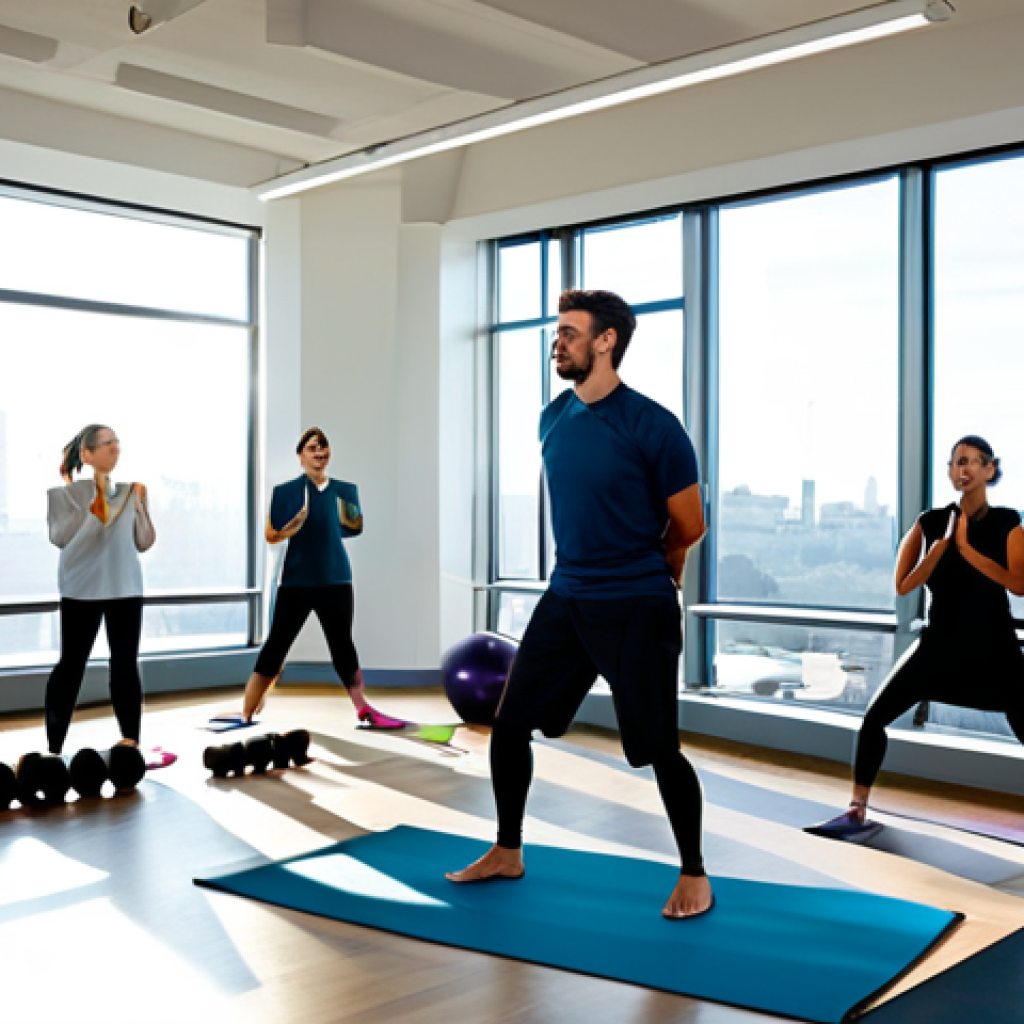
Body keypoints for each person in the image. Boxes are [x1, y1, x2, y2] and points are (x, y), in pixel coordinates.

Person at [446, 290, 712, 919]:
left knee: (658, 748)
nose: (556, 343)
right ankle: (507, 850)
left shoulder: (652, 424)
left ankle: (695, 874)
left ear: (606, 341)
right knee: (509, 726)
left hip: (635, 604)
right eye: (557, 334)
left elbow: (689, 524)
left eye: (569, 333)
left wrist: (661, 566)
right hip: (567, 594)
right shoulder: (554, 417)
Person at [807, 436, 1024, 841]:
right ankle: (856, 810)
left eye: (973, 462)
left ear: (990, 470)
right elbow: (904, 585)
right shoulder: (929, 522)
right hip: (938, 645)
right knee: (873, 719)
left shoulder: (1008, 521)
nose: (963, 470)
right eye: (956, 462)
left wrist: (966, 549)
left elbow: (1020, 584)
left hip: (995, 647)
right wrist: (940, 550)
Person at [240, 427, 402, 728]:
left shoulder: (345, 490)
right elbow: (272, 536)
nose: (319, 453)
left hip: (336, 578)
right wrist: (293, 526)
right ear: (300, 455)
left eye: (323, 447)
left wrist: (345, 513)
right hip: (296, 581)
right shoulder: (285, 492)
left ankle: (362, 707)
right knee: (277, 645)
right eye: (312, 448)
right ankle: (247, 711)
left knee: (342, 645)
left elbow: (353, 528)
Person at [46, 424, 155, 754]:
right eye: (107, 444)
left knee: (125, 664)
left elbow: (144, 542)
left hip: (126, 588)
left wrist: (141, 507)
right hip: (81, 589)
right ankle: (53, 747)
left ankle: (130, 741)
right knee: (71, 665)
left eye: (117, 443)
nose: (115, 448)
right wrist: (90, 507)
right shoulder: (64, 494)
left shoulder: (130, 490)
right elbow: (59, 538)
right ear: (87, 454)